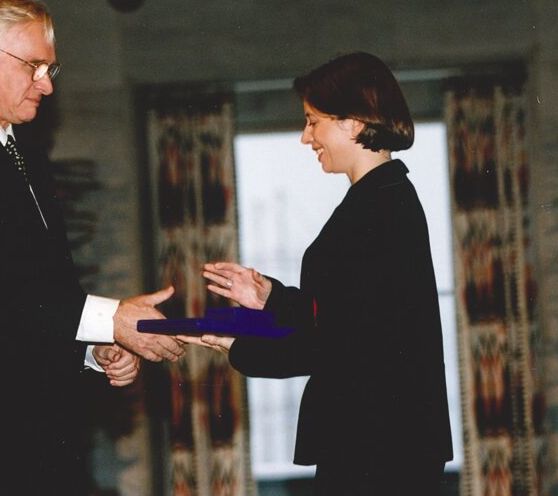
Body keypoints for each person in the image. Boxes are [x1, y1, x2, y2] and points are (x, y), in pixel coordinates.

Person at [0, 0, 185, 495]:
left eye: (50, 68)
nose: (46, 85)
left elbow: (34, 288)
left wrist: (94, 347)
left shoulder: (21, 150)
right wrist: (111, 318)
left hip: (38, 427)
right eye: (34, 66)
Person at [191, 52, 453, 494]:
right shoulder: (382, 199)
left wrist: (238, 344)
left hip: (376, 451)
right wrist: (268, 296)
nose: (305, 137)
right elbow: (345, 317)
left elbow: (333, 346)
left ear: (352, 123)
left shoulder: (377, 209)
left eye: (313, 121)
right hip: (383, 445)